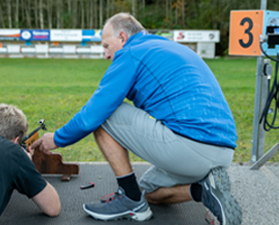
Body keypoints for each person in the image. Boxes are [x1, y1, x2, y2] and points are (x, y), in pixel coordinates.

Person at [32, 12, 242, 225]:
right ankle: (205, 190)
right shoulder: (166, 46)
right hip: (223, 153)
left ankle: (130, 200)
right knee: (149, 192)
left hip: (191, 146)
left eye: (106, 46)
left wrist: (56, 138)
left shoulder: (131, 52)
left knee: (107, 113)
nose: (105, 54)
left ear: (123, 37)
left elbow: (93, 114)